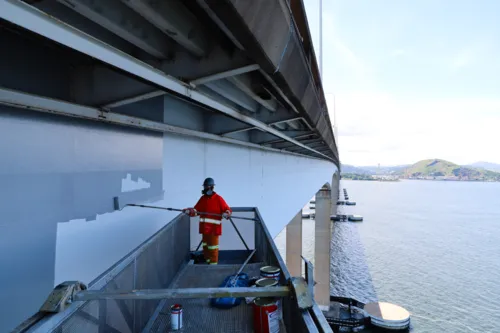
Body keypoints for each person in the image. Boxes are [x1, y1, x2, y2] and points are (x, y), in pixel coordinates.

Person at [183, 177, 232, 265]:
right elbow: (196, 211)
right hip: (205, 230)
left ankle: (212, 268)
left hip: (214, 230)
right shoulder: (203, 199)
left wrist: (226, 214)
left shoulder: (218, 199)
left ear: (211, 187)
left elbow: (227, 210)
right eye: (204, 187)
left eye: (206, 187)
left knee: (213, 249)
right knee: (206, 248)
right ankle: (207, 263)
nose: (205, 189)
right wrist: (188, 211)